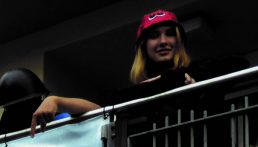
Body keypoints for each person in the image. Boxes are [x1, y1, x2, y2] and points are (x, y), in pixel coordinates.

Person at [30, 9, 195, 135]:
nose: (163, 41)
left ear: (178, 41)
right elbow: (99, 111)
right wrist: (55, 100)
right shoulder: (130, 94)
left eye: (170, 34)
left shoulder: (198, 73)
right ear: (143, 46)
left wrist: (198, 91)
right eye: (154, 35)